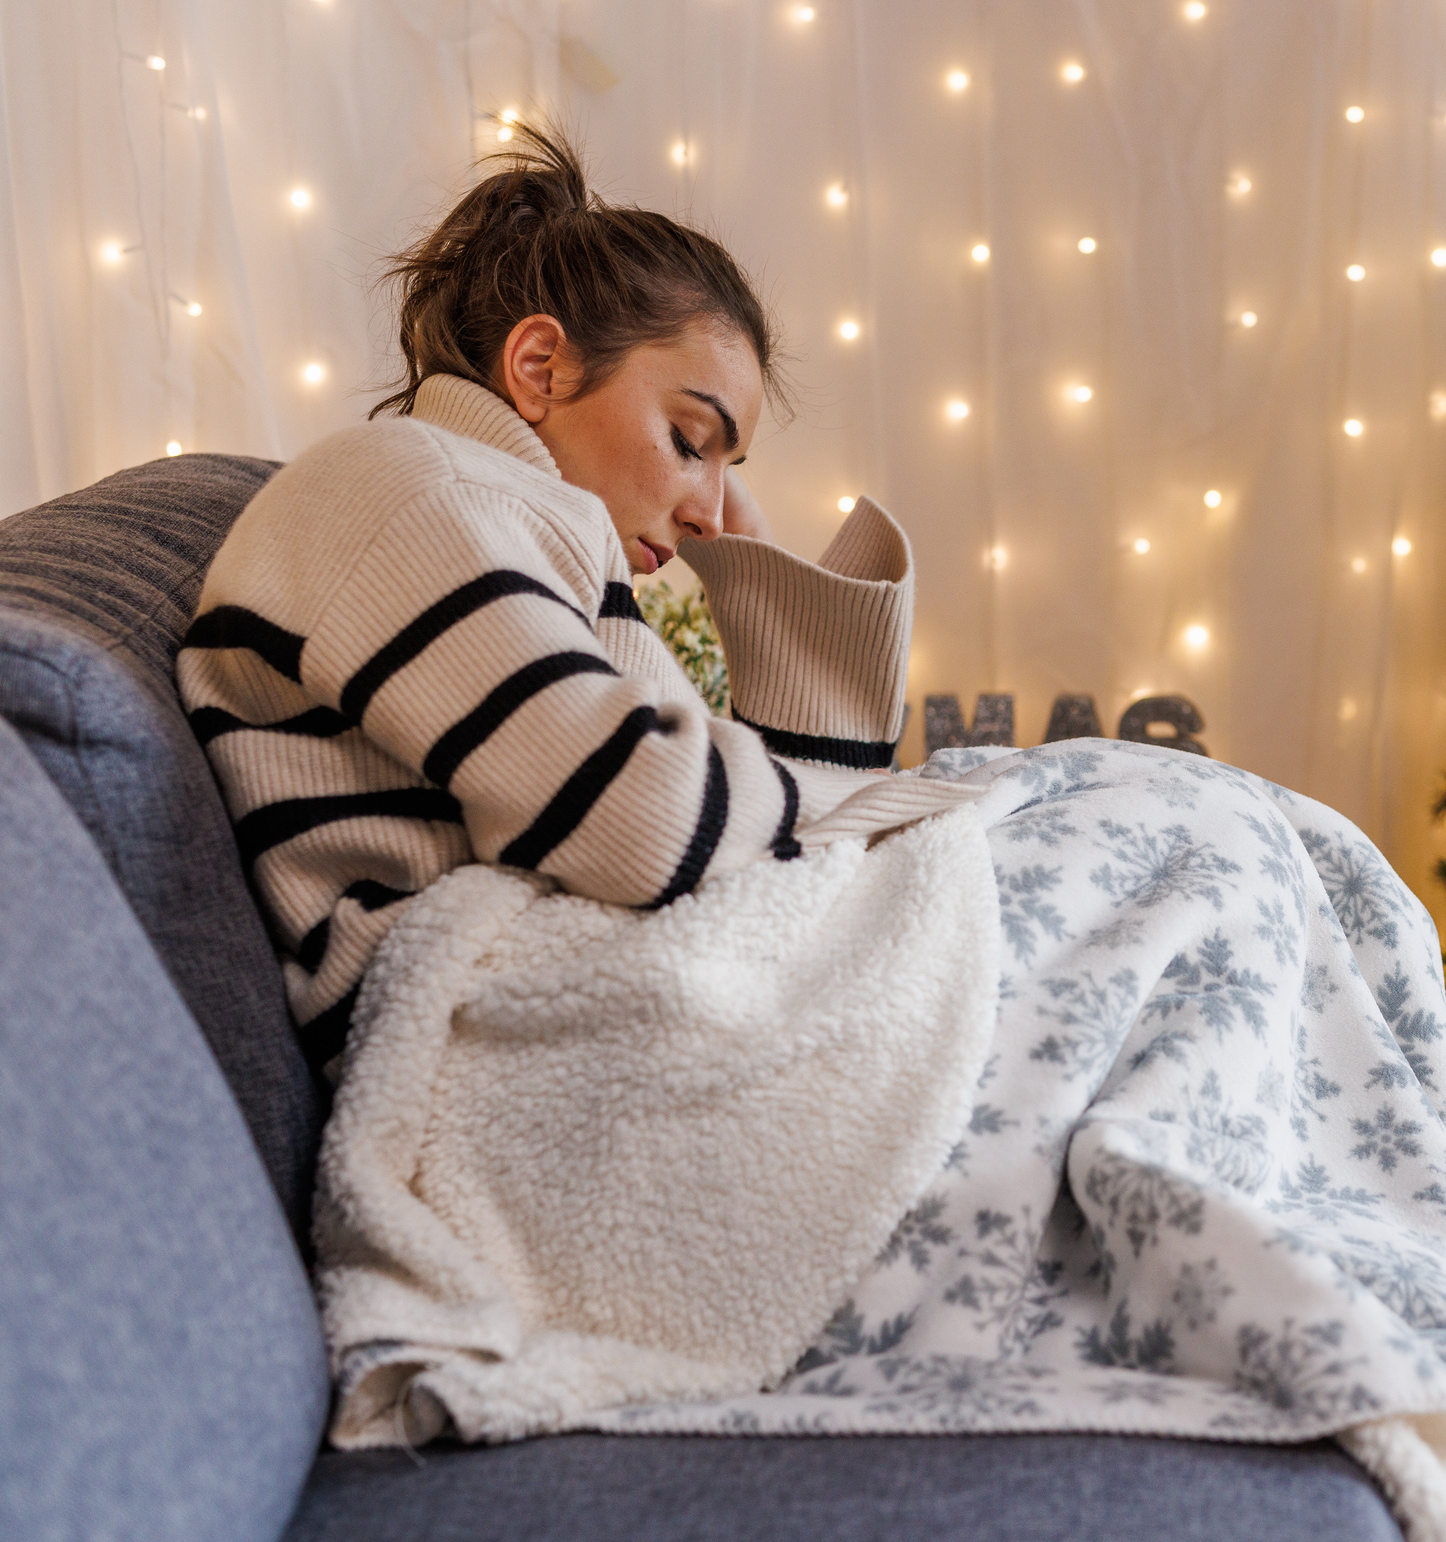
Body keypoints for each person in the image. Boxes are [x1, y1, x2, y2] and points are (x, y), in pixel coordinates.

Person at [176, 122, 979, 1069]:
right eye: (690, 438)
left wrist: (764, 590)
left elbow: (758, 849)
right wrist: (883, 804)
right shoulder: (413, 488)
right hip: (484, 1030)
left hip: (567, 1001)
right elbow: (646, 826)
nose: (712, 511)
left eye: (729, 464)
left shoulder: (528, 539)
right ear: (539, 368)